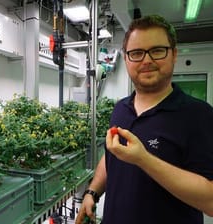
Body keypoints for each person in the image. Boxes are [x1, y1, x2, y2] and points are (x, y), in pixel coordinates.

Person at [76, 14, 213, 224]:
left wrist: (144, 159)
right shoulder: (121, 108)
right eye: (137, 53)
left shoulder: (199, 115)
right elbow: (111, 156)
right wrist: (92, 192)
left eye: (157, 50)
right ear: (127, 57)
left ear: (174, 54)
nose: (147, 60)